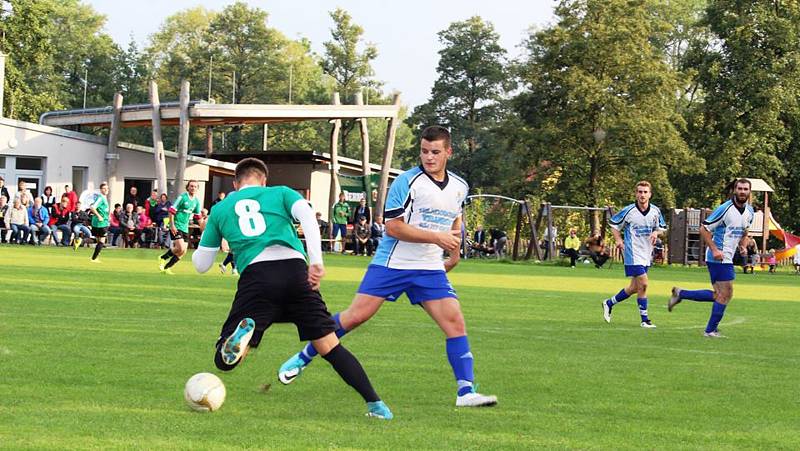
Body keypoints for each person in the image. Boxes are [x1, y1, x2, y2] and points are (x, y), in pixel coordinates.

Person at [278, 125, 497, 408]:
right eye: (424, 151)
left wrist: (453, 251)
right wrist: (438, 237)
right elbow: (393, 228)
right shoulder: (406, 182)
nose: (428, 157)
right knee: (356, 316)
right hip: (392, 263)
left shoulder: (460, 186)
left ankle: (465, 392)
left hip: (429, 267)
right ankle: (305, 355)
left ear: (448, 152)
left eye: (435, 152)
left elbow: (455, 218)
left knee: (455, 323)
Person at [191, 157, 393, 419]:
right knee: (330, 346)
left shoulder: (221, 208)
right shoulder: (281, 192)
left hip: (257, 277)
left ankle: (240, 340)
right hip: (296, 272)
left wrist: (204, 235)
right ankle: (376, 405)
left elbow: (202, 264)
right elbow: (308, 216)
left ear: (235, 182)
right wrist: (317, 262)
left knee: (223, 360)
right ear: (264, 180)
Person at [668, 178, 754, 338]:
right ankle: (710, 330)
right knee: (726, 294)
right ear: (735, 190)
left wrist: (743, 245)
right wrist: (714, 249)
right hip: (718, 258)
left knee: (719, 295)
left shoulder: (749, 211)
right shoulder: (724, 209)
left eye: (745, 189)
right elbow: (703, 228)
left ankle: (681, 294)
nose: (742, 192)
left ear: (749, 192)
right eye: (740, 188)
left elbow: (745, 231)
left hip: (727, 258)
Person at [601, 181, 666, 328]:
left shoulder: (655, 211)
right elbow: (613, 223)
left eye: (645, 192)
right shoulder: (629, 211)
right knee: (644, 283)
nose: (642, 195)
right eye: (640, 192)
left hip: (646, 253)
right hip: (633, 252)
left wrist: (656, 232)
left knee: (634, 288)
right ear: (636, 194)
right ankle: (645, 320)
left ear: (650, 194)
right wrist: (618, 239)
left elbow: (662, 227)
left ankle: (609, 303)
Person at [159, 180, 201, 274]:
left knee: (183, 252)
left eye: (195, 186)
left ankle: (166, 268)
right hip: (176, 225)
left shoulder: (196, 202)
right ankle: (162, 258)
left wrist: (204, 229)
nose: (193, 188)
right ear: (188, 187)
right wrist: (172, 225)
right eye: (191, 186)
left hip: (185, 227)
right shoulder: (182, 197)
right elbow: (171, 210)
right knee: (180, 248)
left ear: (197, 188)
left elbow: (198, 217)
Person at [88, 183, 110, 262]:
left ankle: (95, 256)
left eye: (107, 188)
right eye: (104, 188)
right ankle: (94, 258)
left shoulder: (104, 198)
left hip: (99, 222)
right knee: (102, 241)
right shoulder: (100, 198)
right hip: (101, 223)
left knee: (98, 240)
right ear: (101, 190)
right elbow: (92, 207)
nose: (106, 190)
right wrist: (99, 216)